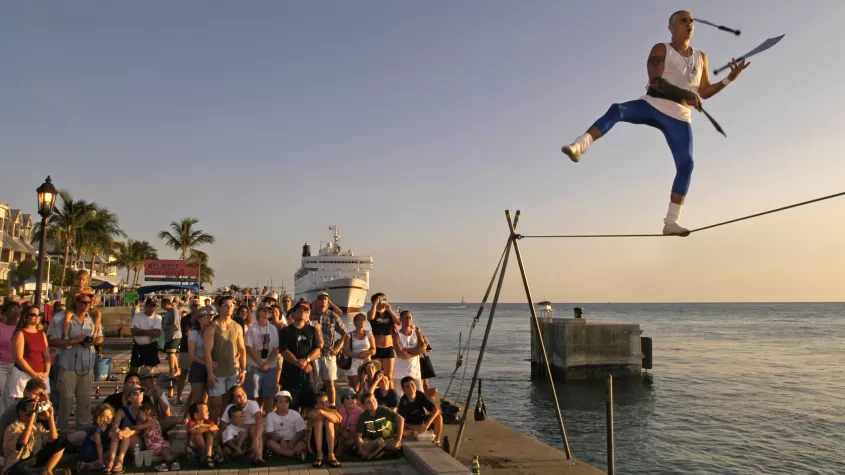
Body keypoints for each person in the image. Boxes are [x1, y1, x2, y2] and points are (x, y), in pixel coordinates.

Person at [560, 10, 750, 236]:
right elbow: (656, 82)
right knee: (618, 109)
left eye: (691, 21)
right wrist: (686, 94)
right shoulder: (661, 49)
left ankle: (670, 222)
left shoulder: (702, 57)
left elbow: (705, 92)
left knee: (687, 165)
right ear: (671, 28)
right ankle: (580, 145)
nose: (689, 24)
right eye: (683, 20)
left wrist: (729, 79)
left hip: (680, 116)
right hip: (654, 104)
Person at [55, 292, 103, 433]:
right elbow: (52, 341)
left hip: (87, 365)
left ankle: (83, 431)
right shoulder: (64, 319)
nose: (86, 305)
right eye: (83, 302)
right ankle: (61, 430)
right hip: (68, 365)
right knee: (66, 400)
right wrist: (74, 340)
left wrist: (92, 341)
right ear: (76, 302)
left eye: (88, 302)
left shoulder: (93, 319)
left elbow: (100, 338)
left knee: (85, 401)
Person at [203, 295, 247, 423]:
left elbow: (242, 350)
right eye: (225, 305)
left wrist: (244, 370)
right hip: (217, 372)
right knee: (215, 404)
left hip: (233, 371)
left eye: (231, 305)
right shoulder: (212, 328)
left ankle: (224, 431)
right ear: (219, 307)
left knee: (229, 405)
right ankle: (212, 431)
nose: (229, 307)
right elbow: (207, 352)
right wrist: (210, 373)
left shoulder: (237, 326)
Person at [2, 398, 66, 475]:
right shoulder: (13, 427)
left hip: (32, 462)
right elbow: (23, 441)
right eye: (30, 407)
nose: (33, 410)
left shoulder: (37, 427)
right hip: (16, 465)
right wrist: (31, 418)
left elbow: (53, 439)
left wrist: (50, 418)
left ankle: (46, 470)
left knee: (61, 442)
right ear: (20, 412)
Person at [4, 306, 50, 411]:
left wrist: (46, 372)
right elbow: (18, 358)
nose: (37, 317)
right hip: (23, 375)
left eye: (39, 315)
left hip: (41, 375)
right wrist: (34, 374)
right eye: (33, 314)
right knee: (21, 406)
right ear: (25, 317)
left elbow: (46, 356)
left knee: (43, 405)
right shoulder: (20, 333)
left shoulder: (41, 334)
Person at [278, 301, 321, 410]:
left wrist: (306, 360)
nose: (302, 312)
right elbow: (284, 351)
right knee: (291, 407)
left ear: (308, 314)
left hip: (309, 375)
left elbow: (317, 350)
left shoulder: (313, 330)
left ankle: (308, 427)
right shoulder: (285, 331)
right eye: (300, 310)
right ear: (293, 313)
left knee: (310, 407)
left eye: (306, 310)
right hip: (290, 376)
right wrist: (298, 363)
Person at [311, 292, 347, 407]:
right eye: (320, 299)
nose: (322, 301)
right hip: (313, 355)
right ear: (316, 301)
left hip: (328, 354)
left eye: (325, 299)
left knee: (330, 382)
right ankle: (314, 406)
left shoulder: (333, 316)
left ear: (328, 302)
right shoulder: (310, 315)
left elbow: (345, 333)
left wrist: (338, 347)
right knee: (314, 383)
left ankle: (331, 405)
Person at [219, 385, 266, 465]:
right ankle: (243, 455)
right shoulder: (230, 407)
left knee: (255, 430)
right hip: (236, 437)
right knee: (227, 448)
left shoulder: (252, 404)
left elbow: (259, 421)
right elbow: (222, 427)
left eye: (242, 393)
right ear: (233, 400)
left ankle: (258, 457)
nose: (241, 396)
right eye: (238, 395)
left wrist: (255, 438)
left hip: (252, 435)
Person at [245, 306, 280, 412]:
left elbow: (276, 348)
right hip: (255, 364)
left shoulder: (273, 328)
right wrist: (261, 363)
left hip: (270, 365)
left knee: (269, 396)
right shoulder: (252, 328)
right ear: (259, 312)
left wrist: (267, 364)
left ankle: (269, 420)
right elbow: (249, 348)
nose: (267, 312)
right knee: (254, 396)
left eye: (270, 311)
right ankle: (255, 420)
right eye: (265, 310)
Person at [356, 392, 404, 460]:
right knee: (364, 446)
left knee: (396, 446)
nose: (373, 403)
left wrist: (398, 439)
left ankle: (377, 452)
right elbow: (359, 436)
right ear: (364, 406)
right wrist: (361, 451)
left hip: (387, 439)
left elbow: (400, 419)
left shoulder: (384, 410)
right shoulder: (363, 416)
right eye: (368, 402)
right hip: (372, 441)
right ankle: (379, 450)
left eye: (374, 400)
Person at [367, 293, 400, 388]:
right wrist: (375, 304)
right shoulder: (372, 312)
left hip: (388, 348)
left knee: (389, 376)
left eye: (385, 299)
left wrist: (389, 310)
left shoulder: (388, 313)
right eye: (381, 299)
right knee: (376, 375)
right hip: (376, 348)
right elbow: (371, 317)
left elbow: (399, 322)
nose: (383, 301)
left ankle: (391, 397)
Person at [397, 376, 443, 446]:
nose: (410, 387)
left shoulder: (420, 395)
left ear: (415, 385)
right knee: (403, 432)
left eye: (412, 384)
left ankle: (436, 442)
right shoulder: (403, 402)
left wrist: (427, 424)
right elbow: (401, 421)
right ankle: (418, 432)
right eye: (407, 386)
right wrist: (415, 427)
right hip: (412, 425)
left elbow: (436, 409)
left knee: (439, 417)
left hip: (423, 421)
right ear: (403, 390)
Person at [264, 390, 307, 461]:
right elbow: (269, 433)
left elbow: (301, 431)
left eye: (286, 402)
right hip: (278, 442)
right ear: (276, 403)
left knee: (302, 444)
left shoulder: (295, 414)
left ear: (289, 403)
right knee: (270, 443)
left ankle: (283, 453)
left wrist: (293, 441)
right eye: (281, 402)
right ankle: (294, 454)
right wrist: (280, 439)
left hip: (294, 441)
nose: (284, 404)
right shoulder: (270, 415)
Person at [137, 403, 180, 472]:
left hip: (161, 446)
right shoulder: (144, 422)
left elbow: (138, 427)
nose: (139, 416)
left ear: (147, 412)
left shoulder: (152, 421)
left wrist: (129, 428)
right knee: (144, 458)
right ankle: (165, 459)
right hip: (152, 450)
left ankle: (177, 456)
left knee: (168, 457)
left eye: (140, 413)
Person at [306, 391, 343, 468]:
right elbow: (311, 416)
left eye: (326, 402)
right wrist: (320, 412)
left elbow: (338, 419)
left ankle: (331, 454)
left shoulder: (333, 411)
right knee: (318, 421)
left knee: (329, 422)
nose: (325, 405)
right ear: (316, 405)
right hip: (314, 446)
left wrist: (322, 412)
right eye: (321, 403)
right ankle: (319, 454)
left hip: (333, 445)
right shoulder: (313, 412)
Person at [393, 310, 426, 392]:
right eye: (405, 317)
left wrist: (407, 350)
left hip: (415, 372)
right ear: (400, 319)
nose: (408, 319)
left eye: (410, 317)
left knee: (419, 397)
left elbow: (423, 348)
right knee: (400, 400)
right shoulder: (397, 335)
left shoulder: (417, 333)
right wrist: (417, 352)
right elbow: (400, 354)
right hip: (400, 373)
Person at [341, 312, 375, 392]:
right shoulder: (349, 335)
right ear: (354, 322)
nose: (362, 322)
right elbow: (346, 351)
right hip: (353, 362)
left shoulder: (369, 334)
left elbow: (374, 349)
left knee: (369, 384)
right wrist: (358, 355)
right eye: (360, 320)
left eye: (363, 320)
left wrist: (367, 353)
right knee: (356, 387)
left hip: (366, 362)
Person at [185, 403, 224, 469]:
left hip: (210, 451)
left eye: (207, 410)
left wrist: (201, 426)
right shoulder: (191, 422)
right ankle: (210, 455)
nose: (208, 412)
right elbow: (192, 431)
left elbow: (215, 429)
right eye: (205, 411)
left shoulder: (208, 421)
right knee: (197, 434)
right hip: (195, 452)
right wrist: (208, 427)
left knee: (209, 433)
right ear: (196, 415)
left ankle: (208, 456)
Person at [77, 403, 114, 472]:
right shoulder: (97, 429)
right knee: (104, 459)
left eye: (110, 414)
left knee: (111, 453)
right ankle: (93, 464)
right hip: (91, 450)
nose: (109, 417)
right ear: (100, 418)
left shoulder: (109, 426)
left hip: (102, 449)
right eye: (106, 416)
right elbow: (98, 445)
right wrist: (101, 460)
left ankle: (92, 465)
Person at [130, 298, 162, 372]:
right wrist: (151, 332)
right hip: (138, 346)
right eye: (149, 307)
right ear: (145, 307)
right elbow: (133, 332)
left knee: (149, 370)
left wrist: (140, 331)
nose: (151, 309)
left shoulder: (157, 317)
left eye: (153, 307)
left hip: (151, 346)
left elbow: (157, 333)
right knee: (133, 368)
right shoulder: (137, 316)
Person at [0, 302, 19, 408]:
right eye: (12, 310)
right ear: (5, 313)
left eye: (17, 310)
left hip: (16, 366)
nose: (15, 313)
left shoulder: (20, 329)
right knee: (2, 395)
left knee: (13, 395)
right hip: (1, 365)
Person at [160, 298, 182, 379]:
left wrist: (165, 327)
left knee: (171, 354)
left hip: (174, 335)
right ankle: (177, 370)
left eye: (162, 305)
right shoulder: (169, 311)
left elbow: (176, 325)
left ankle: (171, 371)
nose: (161, 307)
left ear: (166, 304)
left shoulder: (174, 311)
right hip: (169, 336)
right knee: (171, 354)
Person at [337, 387, 363, 454]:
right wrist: (342, 431)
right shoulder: (341, 410)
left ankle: (350, 447)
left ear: (356, 400)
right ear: (342, 401)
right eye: (347, 398)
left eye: (353, 397)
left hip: (355, 435)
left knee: (351, 441)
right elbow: (339, 426)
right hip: (344, 434)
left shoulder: (359, 411)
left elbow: (362, 428)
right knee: (339, 438)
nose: (350, 400)